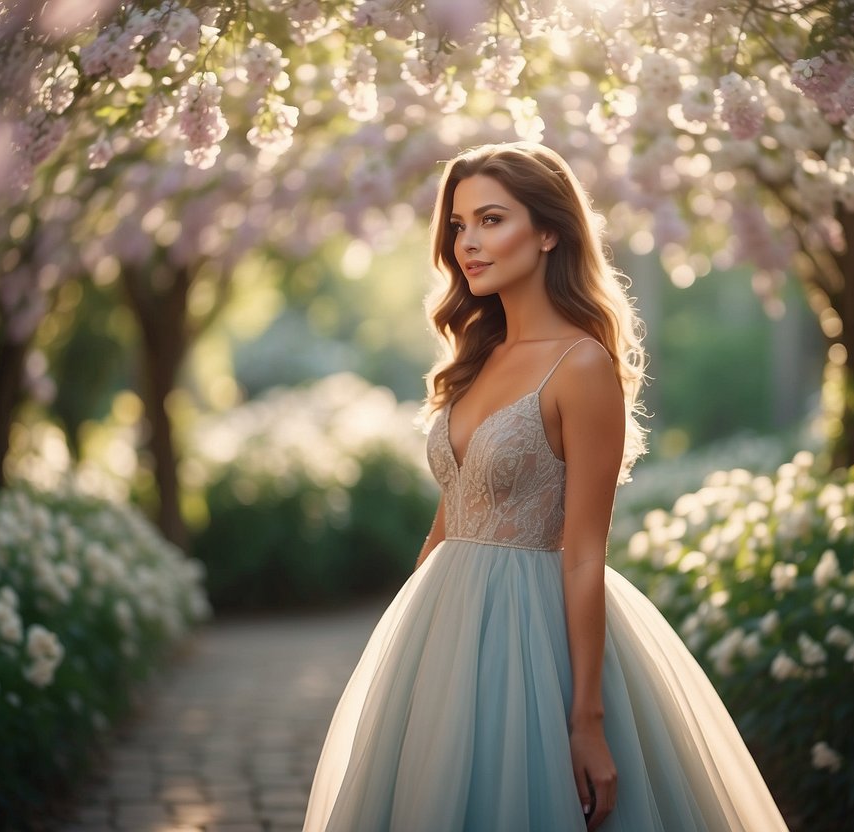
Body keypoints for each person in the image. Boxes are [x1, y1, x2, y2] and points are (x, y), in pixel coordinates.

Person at [302, 142, 787, 831]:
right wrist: (403, 648)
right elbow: (449, 517)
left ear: (550, 230)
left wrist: (585, 720)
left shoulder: (581, 365)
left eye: (491, 220)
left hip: (533, 635)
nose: (468, 242)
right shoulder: (475, 358)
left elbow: (585, 550)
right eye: (459, 225)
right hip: (442, 628)